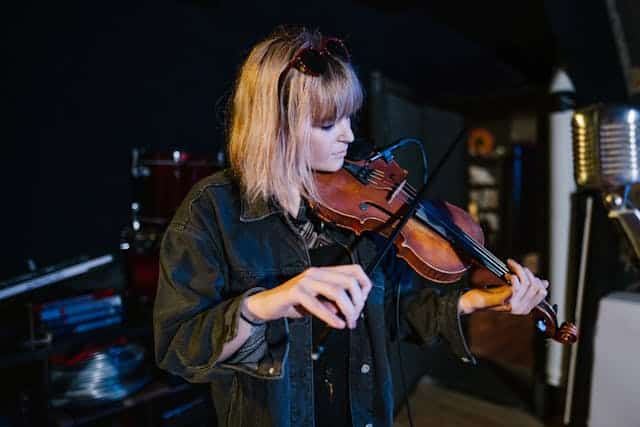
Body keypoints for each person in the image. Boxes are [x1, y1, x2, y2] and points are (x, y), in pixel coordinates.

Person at [153, 26, 549, 427]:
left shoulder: (359, 202)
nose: (350, 136)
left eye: (348, 117)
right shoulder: (212, 209)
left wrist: (477, 300)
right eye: (327, 125)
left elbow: (393, 311)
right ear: (274, 128)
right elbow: (179, 349)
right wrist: (266, 304)